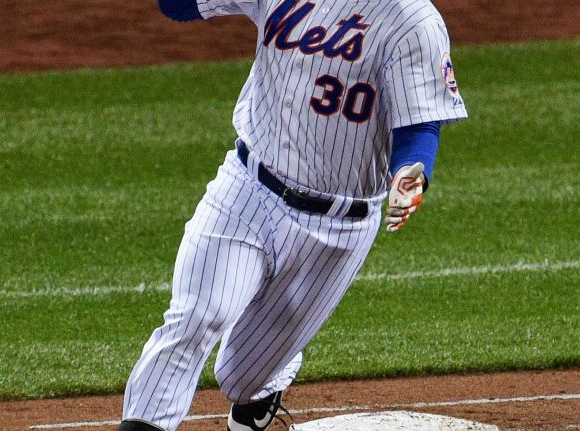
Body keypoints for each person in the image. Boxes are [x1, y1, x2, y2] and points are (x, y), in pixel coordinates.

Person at [119, 0, 468, 429]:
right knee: (195, 317)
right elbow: (177, 7)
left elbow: (418, 127)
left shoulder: (412, 20)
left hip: (339, 228)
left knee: (240, 379)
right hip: (247, 190)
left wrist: (410, 177)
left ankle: (266, 384)